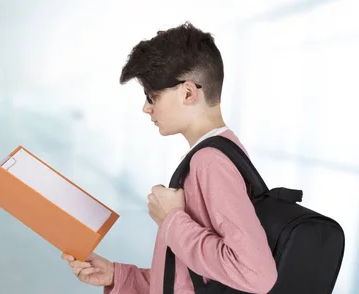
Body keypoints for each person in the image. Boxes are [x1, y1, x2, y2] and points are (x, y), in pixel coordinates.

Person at [61, 22, 278, 293]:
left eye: (152, 96)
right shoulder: (217, 153)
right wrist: (117, 276)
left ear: (188, 92)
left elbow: (256, 273)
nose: (146, 108)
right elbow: (191, 280)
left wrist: (172, 219)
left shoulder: (210, 162)